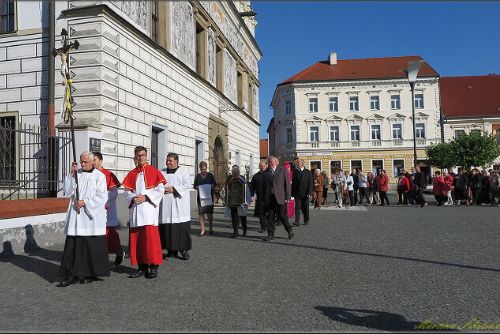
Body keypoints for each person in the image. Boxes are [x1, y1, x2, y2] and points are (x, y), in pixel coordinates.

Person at [58, 151, 109, 287]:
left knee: (89, 246)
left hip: (91, 217)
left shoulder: (100, 176)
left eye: (86, 162)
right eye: (82, 162)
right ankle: (71, 274)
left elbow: (102, 196)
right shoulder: (77, 174)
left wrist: (85, 202)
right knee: (74, 245)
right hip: (77, 215)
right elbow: (67, 191)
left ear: (93, 162)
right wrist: (71, 174)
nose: (83, 164)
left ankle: (89, 273)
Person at [122, 146, 166, 279]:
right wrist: (132, 197)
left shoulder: (154, 171)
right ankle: (141, 266)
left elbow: (160, 188)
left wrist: (146, 197)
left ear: (146, 156)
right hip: (136, 211)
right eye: (138, 156)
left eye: (143, 155)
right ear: (135, 158)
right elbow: (126, 192)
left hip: (148, 211)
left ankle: (153, 267)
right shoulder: (132, 173)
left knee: (151, 241)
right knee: (138, 241)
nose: (141, 158)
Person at [93, 152, 125, 266]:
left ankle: (118, 250)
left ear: (101, 161)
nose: (93, 162)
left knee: (109, 233)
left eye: (95, 159)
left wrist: (103, 202)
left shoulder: (108, 174)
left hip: (107, 208)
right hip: (94, 208)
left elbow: (113, 192)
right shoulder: (90, 174)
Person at [159, 153, 192, 260]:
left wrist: (174, 189)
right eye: (167, 160)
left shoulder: (183, 172)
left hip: (179, 206)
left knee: (181, 229)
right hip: (166, 205)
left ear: (177, 161)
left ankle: (183, 250)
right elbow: (157, 184)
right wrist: (162, 189)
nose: (168, 162)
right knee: (167, 228)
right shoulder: (161, 172)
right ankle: (171, 250)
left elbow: (187, 185)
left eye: (170, 161)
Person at [263, 156, 293, 241]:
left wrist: (287, 197)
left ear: (276, 162)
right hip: (270, 198)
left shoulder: (282, 170)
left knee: (282, 215)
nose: (270, 164)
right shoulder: (266, 172)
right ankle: (270, 235)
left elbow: (287, 184)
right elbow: (263, 186)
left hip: (280, 197)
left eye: (271, 162)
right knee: (270, 216)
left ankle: (289, 230)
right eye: (269, 162)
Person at [224, 165, 252, 238]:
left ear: (238, 173)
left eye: (236, 174)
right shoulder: (230, 178)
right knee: (234, 216)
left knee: (243, 215)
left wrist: (239, 178)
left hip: (241, 200)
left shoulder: (242, 178)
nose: (235, 175)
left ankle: (245, 230)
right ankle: (235, 231)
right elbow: (226, 186)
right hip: (232, 200)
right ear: (232, 174)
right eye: (234, 174)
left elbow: (245, 186)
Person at [193, 161, 216, 236]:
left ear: (206, 168)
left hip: (209, 198)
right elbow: (195, 186)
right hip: (200, 198)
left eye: (204, 169)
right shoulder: (197, 176)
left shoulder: (210, 175)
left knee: (209, 214)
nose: (203, 171)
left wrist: (211, 186)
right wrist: (198, 187)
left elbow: (214, 184)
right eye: (201, 169)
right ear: (199, 168)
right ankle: (202, 230)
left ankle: (211, 228)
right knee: (201, 214)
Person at [291, 159, 313, 226]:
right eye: (297, 163)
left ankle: (306, 220)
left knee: (305, 208)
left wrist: (309, 193)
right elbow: (293, 183)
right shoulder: (295, 172)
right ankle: (297, 221)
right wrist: (292, 193)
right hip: (297, 193)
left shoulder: (308, 172)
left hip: (305, 193)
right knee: (297, 208)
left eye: (298, 163)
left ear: (302, 164)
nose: (297, 164)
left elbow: (310, 183)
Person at [251, 161, 269, 233]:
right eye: (261, 166)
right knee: (261, 213)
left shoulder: (270, 174)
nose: (262, 167)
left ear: (266, 166)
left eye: (264, 166)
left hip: (269, 197)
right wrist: (252, 195)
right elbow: (252, 186)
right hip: (260, 197)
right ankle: (263, 227)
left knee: (270, 213)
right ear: (259, 167)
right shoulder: (256, 176)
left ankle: (270, 226)